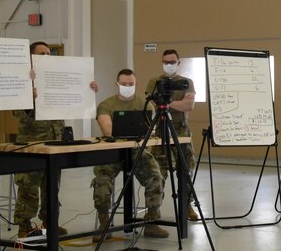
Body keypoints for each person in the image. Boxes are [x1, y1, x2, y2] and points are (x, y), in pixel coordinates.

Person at [13, 41, 98, 237]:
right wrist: (28, 98)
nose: (47, 56)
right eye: (42, 53)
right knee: (29, 186)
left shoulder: (58, 76)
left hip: (55, 140)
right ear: (32, 57)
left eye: (49, 53)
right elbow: (17, 112)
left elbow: (75, 98)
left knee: (51, 185)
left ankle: (49, 222)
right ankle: (24, 226)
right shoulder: (24, 79)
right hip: (32, 142)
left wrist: (88, 90)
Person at [92, 68, 168, 239]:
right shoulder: (106, 105)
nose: (127, 86)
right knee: (101, 180)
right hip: (112, 151)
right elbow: (107, 129)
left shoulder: (145, 105)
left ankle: (151, 222)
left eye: (131, 84)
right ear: (117, 84)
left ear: (136, 84)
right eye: (124, 84)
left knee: (156, 176)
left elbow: (151, 131)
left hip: (136, 150)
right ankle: (104, 224)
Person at [144, 49, 199, 221]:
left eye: (172, 61)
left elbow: (188, 105)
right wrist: (176, 103)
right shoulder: (155, 81)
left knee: (186, 170)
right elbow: (152, 103)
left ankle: (187, 205)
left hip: (181, 130)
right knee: (158, 171)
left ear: (178, 62)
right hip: (160, 129)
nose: (169, 65)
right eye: (165, 62)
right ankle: (153, 210)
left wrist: (167, 102)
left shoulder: (185, 82)